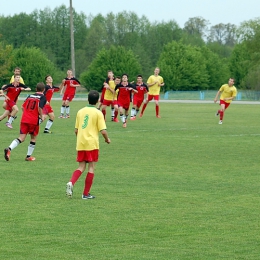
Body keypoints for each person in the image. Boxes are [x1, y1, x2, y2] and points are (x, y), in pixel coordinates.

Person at [66, 90, 110, 199]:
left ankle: (71, 182)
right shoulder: (98, 113)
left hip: (81, 143)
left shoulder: (80, 111)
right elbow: (103, 131)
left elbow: (76, 130)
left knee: (81, 166)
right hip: (92, 144)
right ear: (98, 101)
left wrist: (81, 139)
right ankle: (85, 194)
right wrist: (107, 139)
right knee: (91, 167)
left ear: (88, 99)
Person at [4, 82, 47, 162]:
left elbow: (22, 107)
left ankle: (9, 149)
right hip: (33, 120)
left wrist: (27, 113)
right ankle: (28, 156)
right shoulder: (43, 97)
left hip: (24, 119)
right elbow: (40, 108)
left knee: (21, 138)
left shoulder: (30, 96)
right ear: (43, 90)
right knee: (33, 138)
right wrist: (42, 116)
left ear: (36, 89)